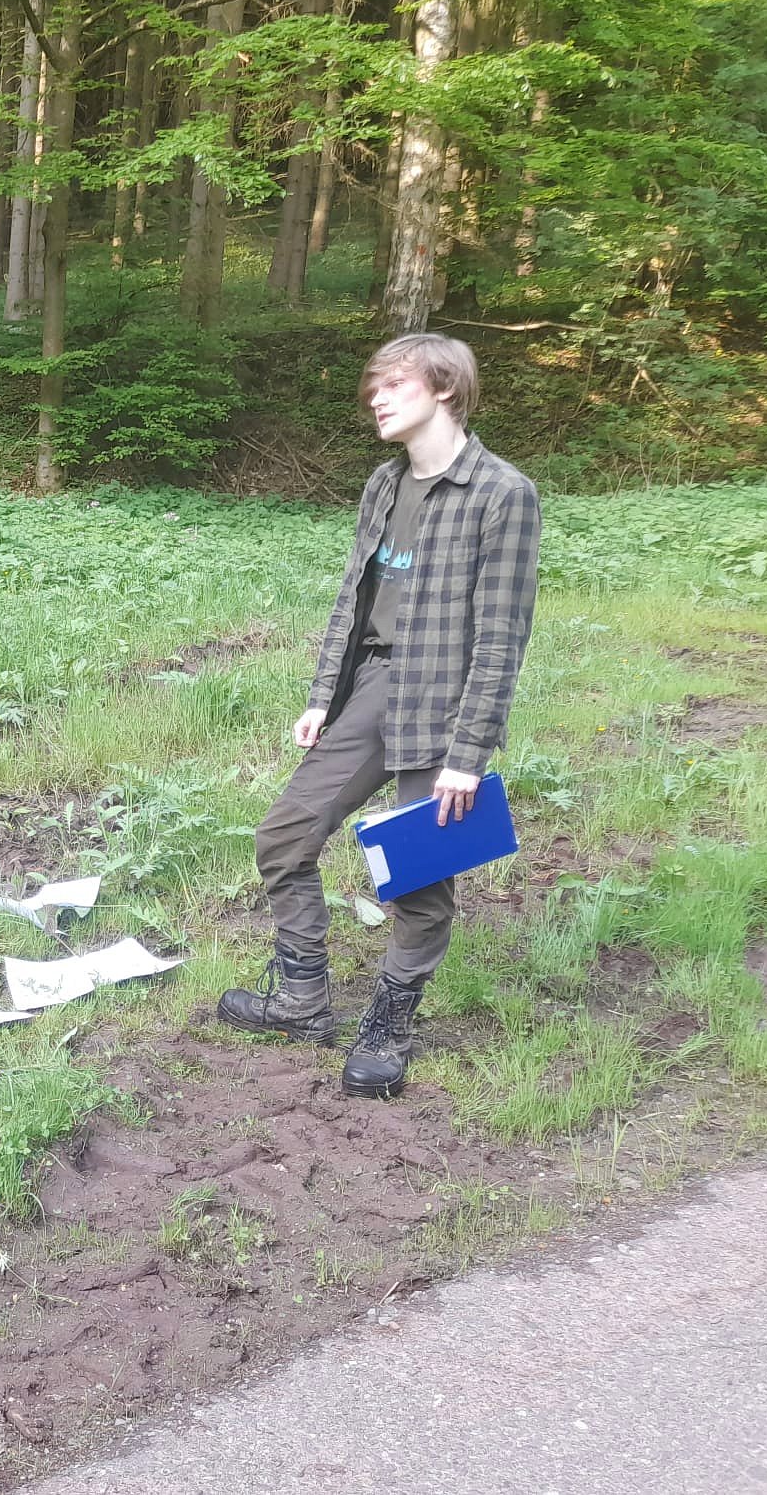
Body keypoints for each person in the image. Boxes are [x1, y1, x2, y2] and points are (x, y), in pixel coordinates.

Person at [217, 334, 540, 1099]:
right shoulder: (385, 485)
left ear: (445, 388)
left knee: (417, 878)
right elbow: (353, 598)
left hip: (445, 703)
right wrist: (322, 696)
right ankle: (302, 1002)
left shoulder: (502, 493)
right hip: (374, 687)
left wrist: (468, 754)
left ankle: (390, 1025)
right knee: (284, 836)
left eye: (395, 383)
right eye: (374, 386)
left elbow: (501, 638)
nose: (377, 397)